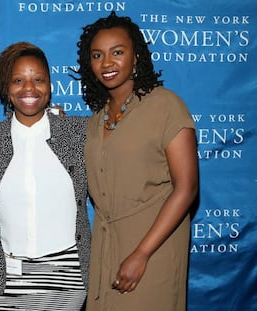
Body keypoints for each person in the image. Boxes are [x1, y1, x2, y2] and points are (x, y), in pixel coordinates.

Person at [75, 12, 198, 311]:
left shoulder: (166, 105)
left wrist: (141, 254)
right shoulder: (96, 119)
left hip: (153, 247)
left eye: (117, 52)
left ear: (136, 56)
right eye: (97, 55)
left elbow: (187, 188)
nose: (107, 63)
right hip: (106, 247)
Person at [0, 42, 91, 311]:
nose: (29, 88)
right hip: (8, 278)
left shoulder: (78, 132)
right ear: (6, 89)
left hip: (68, 276)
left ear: (50, 86)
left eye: (38, 79)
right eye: (18, 80)